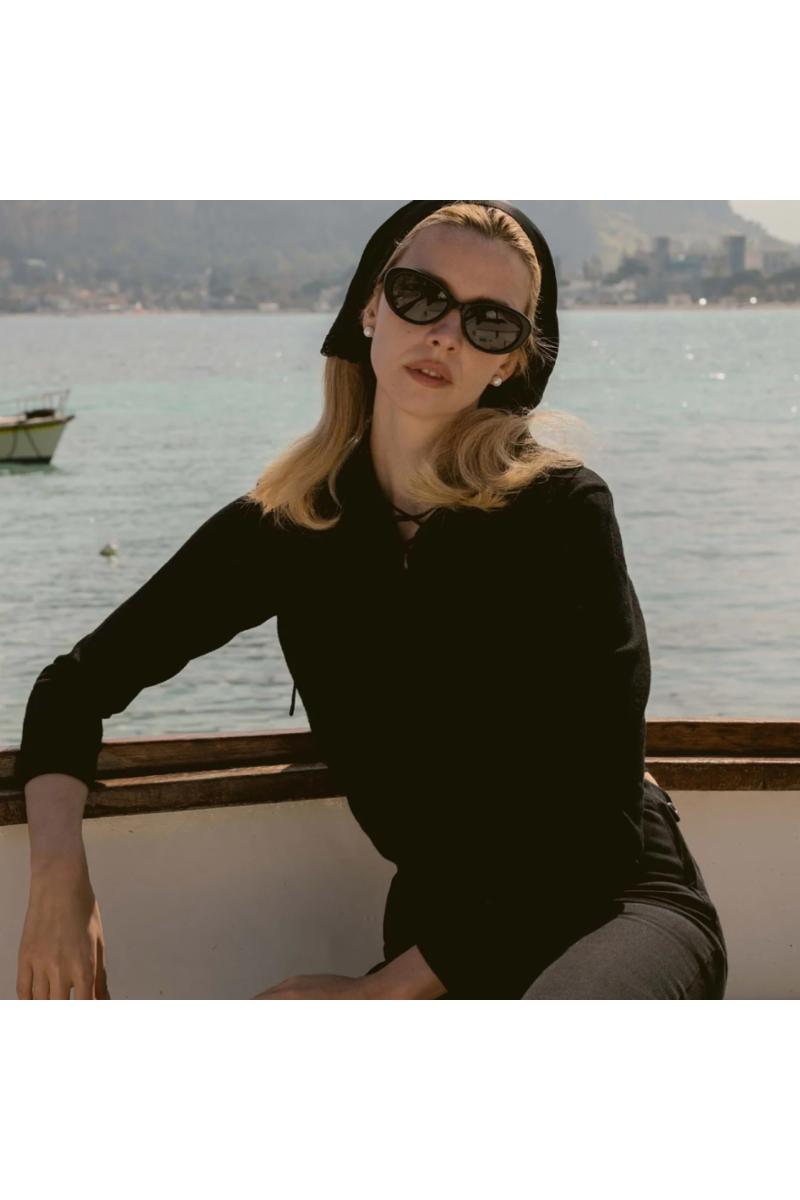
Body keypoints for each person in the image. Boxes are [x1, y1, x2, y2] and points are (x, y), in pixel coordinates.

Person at [15, 200, 728, 1000]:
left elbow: (595, 831)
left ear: (509, 363)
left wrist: (375, 994)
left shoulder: (560, 512)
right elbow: (75, 687)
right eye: (420, 295)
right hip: (442, 925)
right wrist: (57, 880)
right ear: (369, 309)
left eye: (488, 322)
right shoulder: (293, 522)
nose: (445, 334)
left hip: (611, 908)